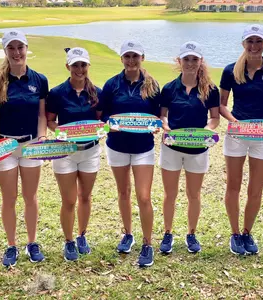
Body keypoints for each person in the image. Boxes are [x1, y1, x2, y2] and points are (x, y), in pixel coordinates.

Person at [0, 30, 49, 266]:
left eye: (20, 47)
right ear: (5, 51)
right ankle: (11, 245)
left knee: (30, 197)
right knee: (9, 198)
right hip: (6, 145)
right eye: (11, 48)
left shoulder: (39, 80)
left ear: (26, 48)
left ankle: (32, 242)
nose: (16, 52)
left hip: (32, 144)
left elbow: (42, 115)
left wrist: (42, 138)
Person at [219, 25, 263, 255]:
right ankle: (235, 233)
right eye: (250, 41)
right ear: (243, 44)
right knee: (233, 186)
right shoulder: (230, 70)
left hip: (262, 135)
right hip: (237, 133)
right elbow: (222, 104)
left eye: (258, 42)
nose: (254, 46)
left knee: (256, 189)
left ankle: (247, 232)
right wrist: (234, 121)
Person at [99, 40, 160, 267]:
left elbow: (158, 116)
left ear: (142, 57)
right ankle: (128, 234)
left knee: (143, 196)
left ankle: (147, 243)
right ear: (121, 59)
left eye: (135, 56)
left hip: (143, 147)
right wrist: (108, 125)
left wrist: (157, 125)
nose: (131, 61)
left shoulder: (152, 85)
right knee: (123, 192)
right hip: (117, 146)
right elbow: (102, 117)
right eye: (127, 56)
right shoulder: (112, 84)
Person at [159, 41, 220, 255]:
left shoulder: (210, 89)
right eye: (186, 59)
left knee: (194, 194)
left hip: (198, 148)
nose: (190, 63)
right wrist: (165, 127)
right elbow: (163, 115)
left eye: (195, 59)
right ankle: (168, 233)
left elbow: (214, 118)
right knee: (170, 194)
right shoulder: (168, 88)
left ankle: (191, 234)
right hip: (172, 148)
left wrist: (206, 130)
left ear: (200, 61)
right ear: (180, 61)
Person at [46, 47, 103, 261]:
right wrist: (60, 131)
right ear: (67, 66)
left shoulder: (97, 92)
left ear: (88, 66)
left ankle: (81, 236)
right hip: (65, 151)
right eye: (75, 65)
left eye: (83, 65)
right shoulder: (57, 92)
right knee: (69, 200)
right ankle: (69, 241)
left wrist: (101, 128)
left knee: (85, 197)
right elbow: (51, 120)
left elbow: (100, 120)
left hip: (90, 150)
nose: (79, 69)